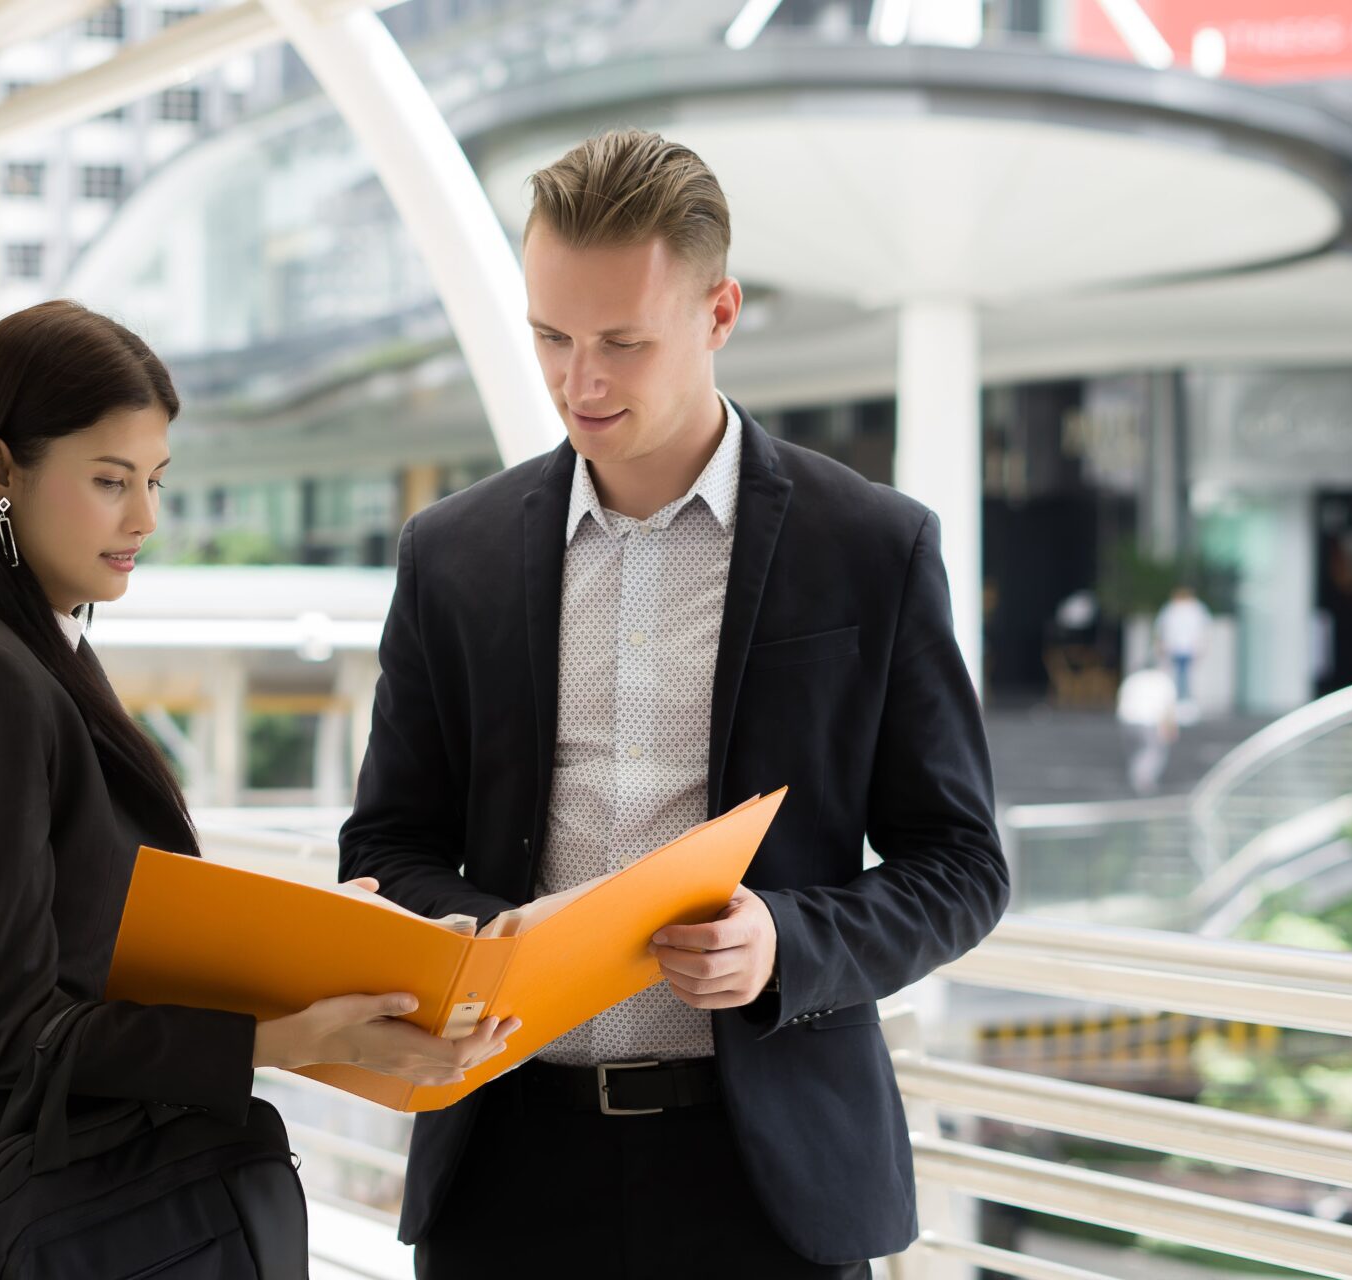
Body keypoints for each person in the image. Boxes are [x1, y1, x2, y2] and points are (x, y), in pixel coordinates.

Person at [339, 129, 1009, 1277]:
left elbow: (962, 865)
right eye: (551, 336)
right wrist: (471, 938)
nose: (580, 381)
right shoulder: (452, 555)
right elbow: (388, 842)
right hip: (507, 1167)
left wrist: (785, 940)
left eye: (623, 342)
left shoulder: (872, 548)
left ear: (719, 312)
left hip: (768, 1183)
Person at [0, 300, 520, 1280]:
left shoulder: (30, 651)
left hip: (54, 1210)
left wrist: (318, 951)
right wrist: (280, 1038)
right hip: (6, 1224)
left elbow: (90, 942)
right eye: (110, 481)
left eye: (153, 480)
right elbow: (9, 1033)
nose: (144, 519)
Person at [1116, 661, 1179, 795]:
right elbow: (1168, 707)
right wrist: (1171, 727)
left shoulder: (1132, 679)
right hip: (1150, 721)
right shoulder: (1163, 681)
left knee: (1136, 750)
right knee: (1153, 751)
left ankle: (1137, 776)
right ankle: (1142, 779)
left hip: (1127, 720)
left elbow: (1121, 698)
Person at [1153, 583, 1212, 708]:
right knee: (1180, 675)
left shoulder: (1188, 609)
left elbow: (1161, 627)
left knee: (1183, 675)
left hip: (1185, 647)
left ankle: (1183, 699)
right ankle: (1180, 699)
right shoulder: (1177, 609)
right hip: (1177, 647)